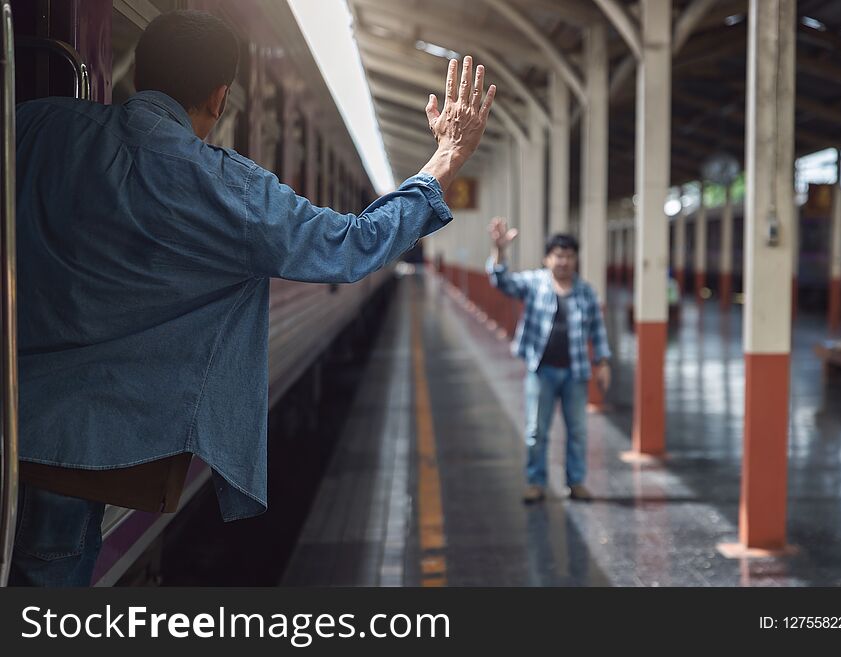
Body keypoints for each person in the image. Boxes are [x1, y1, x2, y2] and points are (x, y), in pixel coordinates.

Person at [10, 10, 496, 586]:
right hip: (87, 452)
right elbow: (350, 245)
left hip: (10, 419)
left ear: (139, 74)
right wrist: (445, 159)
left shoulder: (34, 127)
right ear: (220, 98)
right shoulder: (226, 187)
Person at [486, 218, 611, 504]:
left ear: (575, 260)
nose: (563, 262)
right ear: (547, 258)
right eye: (558, 255)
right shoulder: (534, 283)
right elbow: (501, 281)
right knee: (535, 431)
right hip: (541, 371)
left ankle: (576, 482)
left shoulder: (586, 292)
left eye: (569, 256)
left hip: (575, 373)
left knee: (577, 431)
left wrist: (602, 362)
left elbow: (598, 330)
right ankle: (536, 482)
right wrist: (499, 251)